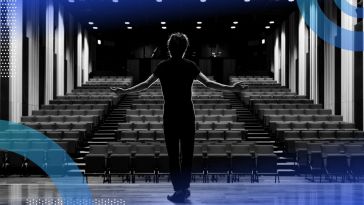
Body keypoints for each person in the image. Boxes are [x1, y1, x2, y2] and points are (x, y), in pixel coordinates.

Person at [111, 32, 247, 203]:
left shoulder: (162, 66)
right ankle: (184, 188)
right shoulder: (190, 65)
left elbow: (145, 84)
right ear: (185, 49)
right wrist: (233, 88)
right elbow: (209, 83)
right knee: (188, 154)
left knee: (174, 155)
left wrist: (125, 91)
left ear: (169, 48)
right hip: (187, 113)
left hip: (170, 114)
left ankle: (179, 190)